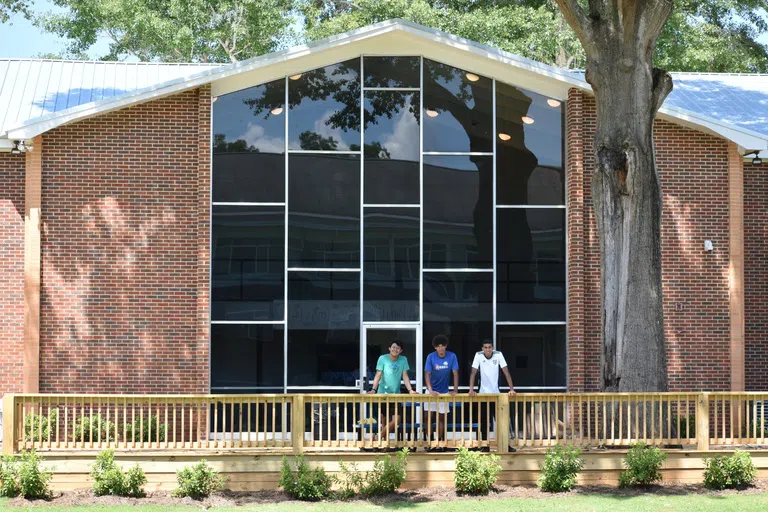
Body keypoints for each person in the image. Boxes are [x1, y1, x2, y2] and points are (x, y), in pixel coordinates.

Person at [468, 339, 516, 451]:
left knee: (501, 421)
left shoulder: (498, 355)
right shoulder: (478, 355)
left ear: (492, 348)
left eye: (490, 347)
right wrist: (471, 389)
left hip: (496, 394)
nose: (488, 349)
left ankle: (506, 446)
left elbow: (506, 372)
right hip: (483, 394)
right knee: (484, 421)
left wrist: (512, 389)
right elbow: (473, 373)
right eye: (486, 347)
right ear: (482, 348)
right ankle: (485, 446)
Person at [368, 340, 416, 444]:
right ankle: (385, 444)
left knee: (396, 420)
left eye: (398, 348)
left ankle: (378, 437)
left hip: (395, 395)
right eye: (393, 347)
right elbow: (378, 374)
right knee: (384, 420)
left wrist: (410, 390)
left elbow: (405, 375)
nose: (395, 349)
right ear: (389, 348)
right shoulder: (383, 358)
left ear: (401, 350)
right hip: (382, 394)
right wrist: (373, 389)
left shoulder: (403, 360)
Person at [424, 334, 459, 450]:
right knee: (428, 417)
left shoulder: (452, 356)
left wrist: (455, 390)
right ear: (435, 347)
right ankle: (430, 441)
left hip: (444, 392)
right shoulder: (430, 357)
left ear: (446, 346)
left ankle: (438, 443)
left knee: (441, 418)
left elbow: (455, 373)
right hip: (431, 391)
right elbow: (427, 374)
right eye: (438, 346)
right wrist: (430, 390)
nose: (440, 348)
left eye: (442, 346)